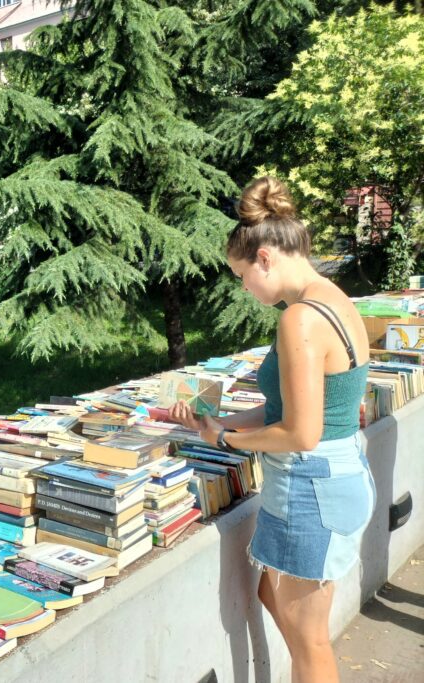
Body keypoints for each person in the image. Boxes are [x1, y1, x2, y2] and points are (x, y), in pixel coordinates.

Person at [169, 176, 375, 683]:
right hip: (332, 475)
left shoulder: (299, 319)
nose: (243, 288)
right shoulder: (333, 298)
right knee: (272, 595)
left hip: (311, 487)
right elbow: (292, 409)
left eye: (241, 275)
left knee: (310, 645)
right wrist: (215, 422)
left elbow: (301, 433)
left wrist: (225, 440)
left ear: (264, 258)